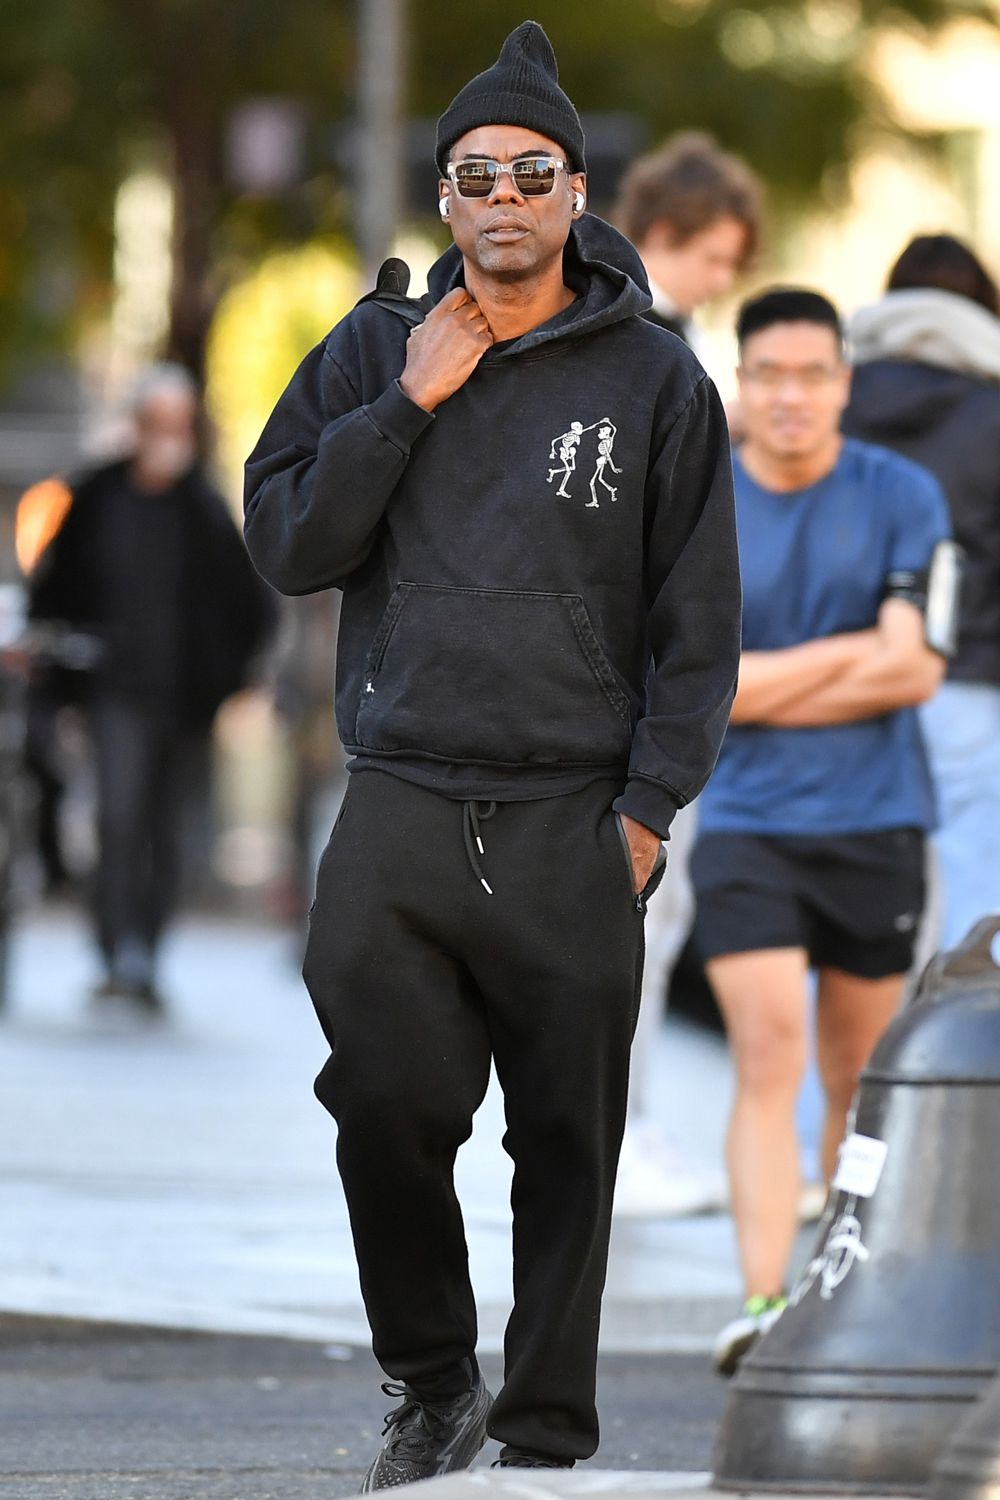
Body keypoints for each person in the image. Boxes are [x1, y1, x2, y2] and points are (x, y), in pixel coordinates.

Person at [244, 20, 741, 1484]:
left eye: (534, 172)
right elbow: (286, 542)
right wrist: (407, 404)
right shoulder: (371, 350)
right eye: (477, 175)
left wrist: (649, 808)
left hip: (573, 813)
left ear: (579, 194)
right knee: (385, 1101)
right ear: (445, 199)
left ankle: (539, 1436)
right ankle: (431, 1377)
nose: (505, 195)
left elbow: (699, 621)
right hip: (399, 796)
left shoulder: (657, 381)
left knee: (570, 1146)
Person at [691, 289, 951, 1375]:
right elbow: (704, 688)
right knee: (767, 1056)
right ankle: (760, 1302)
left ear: (843, 383)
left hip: (876, 821)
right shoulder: (698, 502)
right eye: (769, 376)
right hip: (744, 821)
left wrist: (759, 681)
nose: (790, 396)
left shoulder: (902, 493)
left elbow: (916, 667)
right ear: (740, 387)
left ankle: (841, 1302)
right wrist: (848, 661)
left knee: (856, 1075)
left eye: (811, 375)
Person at [610, 133, 762, 1218]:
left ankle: (620, 1125)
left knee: (649, 917)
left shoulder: (652, 338)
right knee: (643, 915)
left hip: (642, 671)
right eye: (713, 255)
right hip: (643, 677)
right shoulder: (648, 344)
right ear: (666, 236)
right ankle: (619, 1130)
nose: (723, 278)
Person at [29, 363, 276, 1006]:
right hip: (113, 693)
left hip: (186, 703)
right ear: (137, 427)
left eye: (178, 424)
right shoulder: (94, 500)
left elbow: (250, 608)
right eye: (156, 423)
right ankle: (115, 954)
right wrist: (59, 671)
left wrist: (229, 680)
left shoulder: (204, 510)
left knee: (168, 831)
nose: (167, 437)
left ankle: (147, 953)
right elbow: (53, 590)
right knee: (116, 819)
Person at [845, 235, 1000, 948]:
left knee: (841, 906)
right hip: (967, 682)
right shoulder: (993, 409)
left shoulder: (831, 398)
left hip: (837, 682)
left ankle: (838, 1065)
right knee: (968, 903)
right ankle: (954, 1058)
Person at [612, 131, 761, 347]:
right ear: (661, 236)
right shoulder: (615, 331)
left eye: (732, 264)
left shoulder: (683, 327)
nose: (724, 281)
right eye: (714, 259)